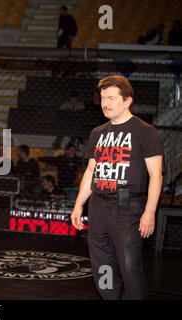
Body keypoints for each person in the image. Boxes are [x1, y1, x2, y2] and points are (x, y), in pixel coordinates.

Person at [71, 75, 163, 300]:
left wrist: (149, 212)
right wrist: (78, 205)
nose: (105, 103)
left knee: (130, 268)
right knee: (103, 268)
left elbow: (156, 175)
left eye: (111, 98)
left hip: (128, 208)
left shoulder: (145, 131)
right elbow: (91, 171)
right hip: (99, 207)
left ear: (127, 101)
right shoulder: (97, 133)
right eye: (103, 98)